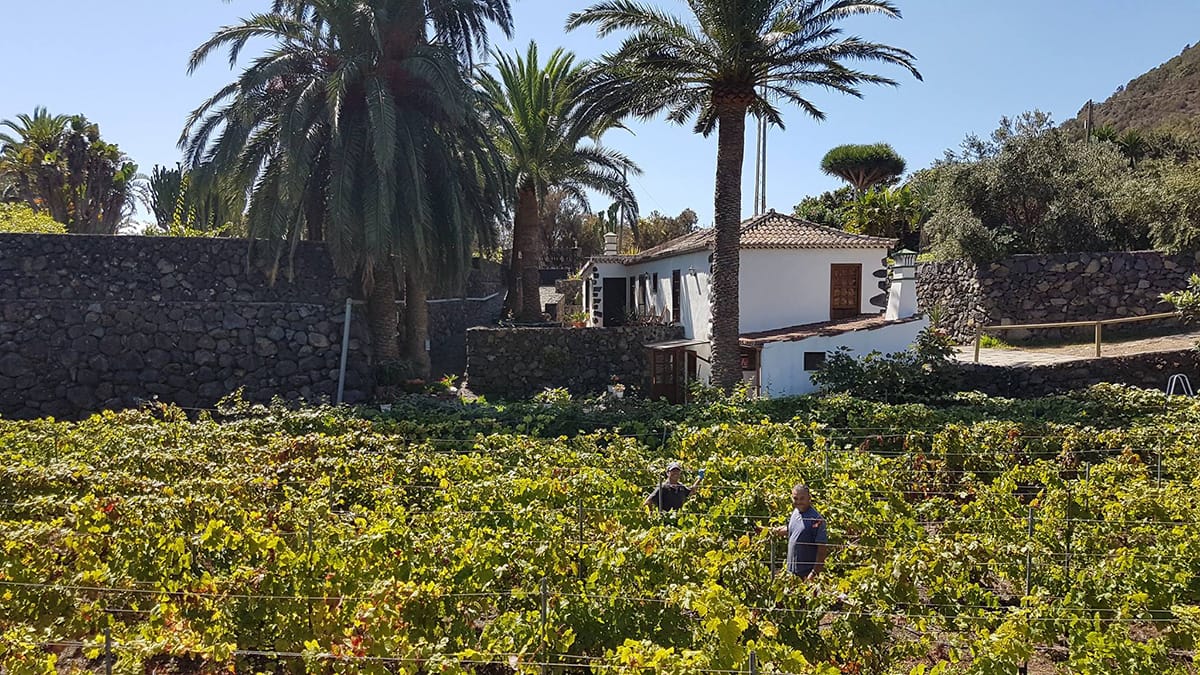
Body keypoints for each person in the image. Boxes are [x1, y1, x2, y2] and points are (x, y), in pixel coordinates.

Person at [769, 484, 828, 578]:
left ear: (809, 498)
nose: (798, 502)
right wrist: (771, 531)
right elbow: (791, 529)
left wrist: (814, 573)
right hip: (791, 573)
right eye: (795, 498)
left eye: (802, 498)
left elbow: (822, 551)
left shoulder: (817, 520)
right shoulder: (796, 512)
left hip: (806, 574)